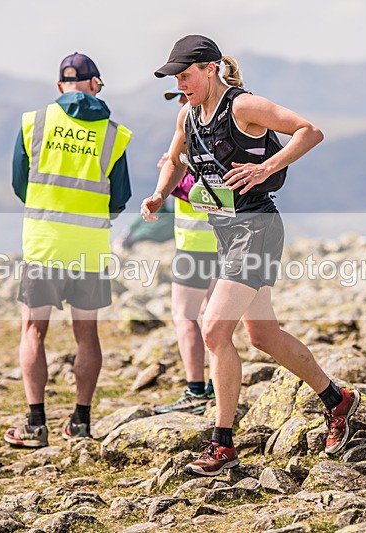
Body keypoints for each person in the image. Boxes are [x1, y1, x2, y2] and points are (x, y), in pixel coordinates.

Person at [141, 35, 360, 475]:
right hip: (227, 232)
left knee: (213, 329)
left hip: (257, 228)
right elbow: (176, 159)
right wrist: (160, 193)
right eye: (175, 78)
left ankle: (222, 443)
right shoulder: (188, 114)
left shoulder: (243, 106)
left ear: (210, 69)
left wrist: (266, 167)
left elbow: (310, 131)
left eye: (185, 76)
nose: (180, 85)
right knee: (263, 336)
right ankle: (338, 399)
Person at [5, 52, 132, 448]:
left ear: (60, 86)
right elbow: (120, 197)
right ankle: (80, 421)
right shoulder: (113, 134)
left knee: (33, 330)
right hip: (89, 246)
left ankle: (35, 424)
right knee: (86, 334)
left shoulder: (34, 122)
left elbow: (20, 183)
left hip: (43, 244)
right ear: (95, 84)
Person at [153, 87, 220, 415]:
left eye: (184, 93)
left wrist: (171, 178)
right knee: (214, 318)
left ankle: (196, 390)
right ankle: (216, 387)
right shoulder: (223, 128)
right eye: (177, 96)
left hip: (196, 244)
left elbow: (207, 190)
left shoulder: (199, 134)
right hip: (222, 242)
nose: (181, 101)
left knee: (185, 316)